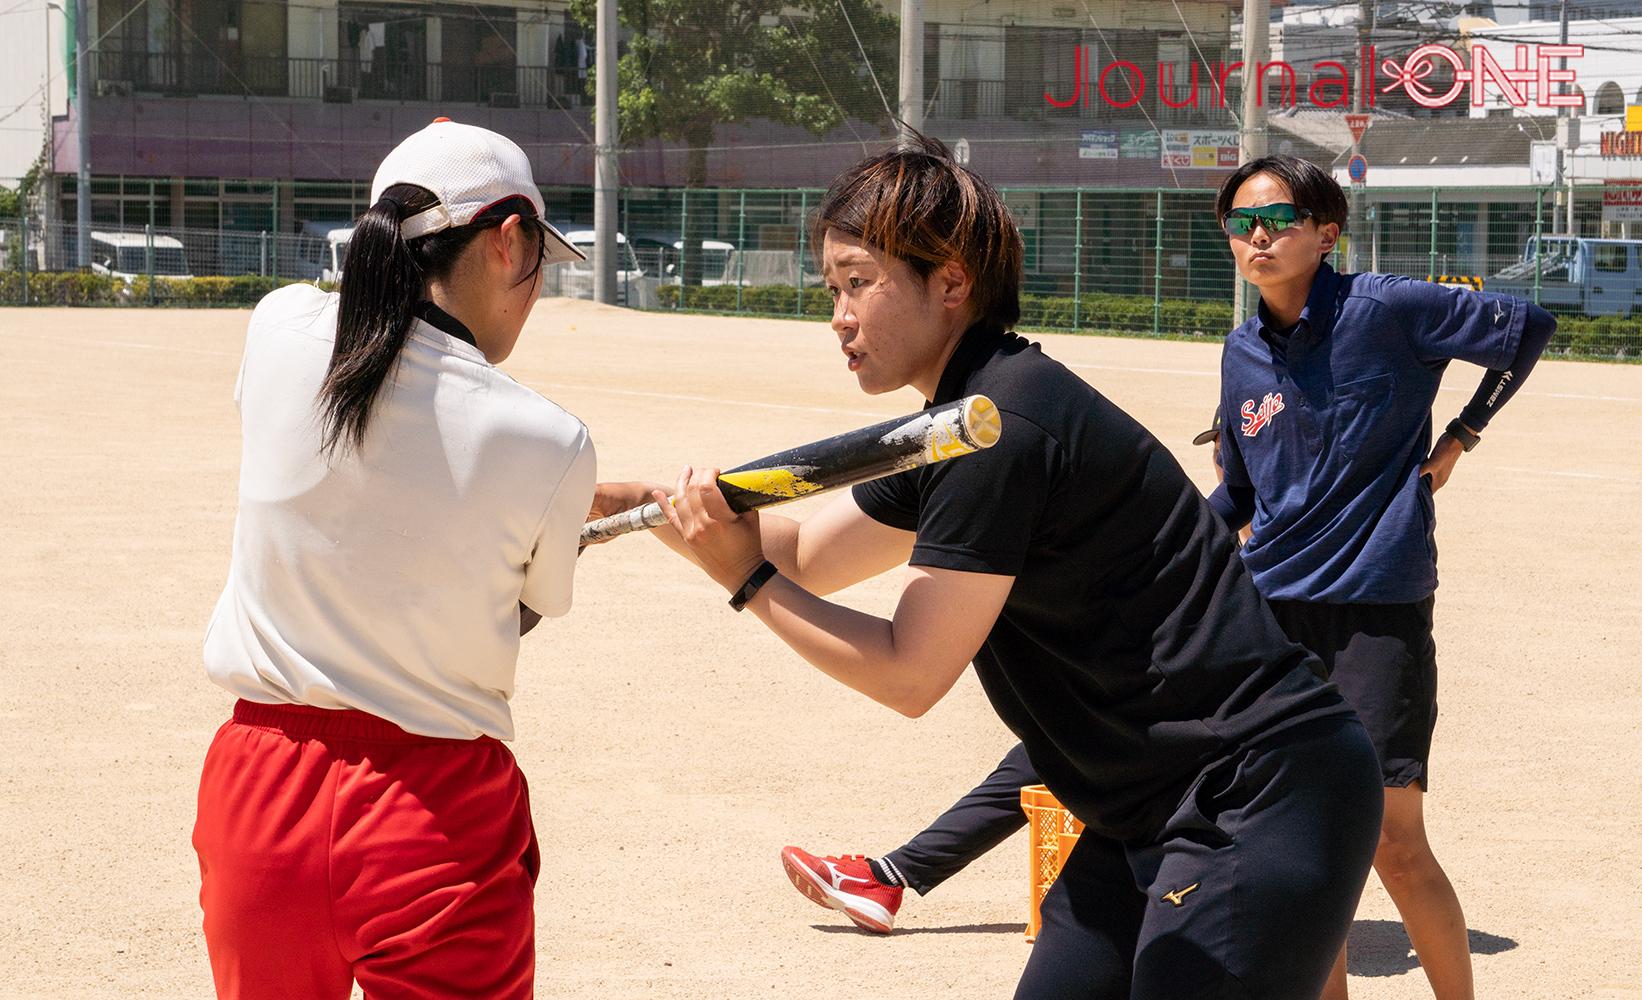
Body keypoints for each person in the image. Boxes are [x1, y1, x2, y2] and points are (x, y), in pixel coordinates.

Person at [650, 134, 1385, 999]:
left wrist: (747, 583)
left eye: (859, 282)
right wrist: (626, 503)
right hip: (1134, 809)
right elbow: (807, 551)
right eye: (832, 289)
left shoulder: (1002, 424)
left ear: (951, 281)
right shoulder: (955, 425)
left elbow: (909, 673)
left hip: (1255, 792)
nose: (839, 316)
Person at [193, 119, 608, 1000]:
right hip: (433, 806)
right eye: (541, 261)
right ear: (507, 242)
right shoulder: (552, 441)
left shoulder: (278, 330)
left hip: (258, 794)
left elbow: (365, 464)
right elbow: (522, 609)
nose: (538, 292)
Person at [1208, 155, 1555, 1000]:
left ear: (1326, 233)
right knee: (1300, 849)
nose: (1259, 234)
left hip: (1375, 608)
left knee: (1393, 842)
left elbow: (1527, 327)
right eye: (1241, 222)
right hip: (1275, 616)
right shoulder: (1242, 352)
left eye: (1280, 217)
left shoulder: (1389, 308)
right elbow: (1241, 495)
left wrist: (1463, 433)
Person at [776, 413, 1238, 934]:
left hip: (1212, 701)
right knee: (1053, 751)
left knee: (1071, 752)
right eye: (1218, 449)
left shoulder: (1275, 531)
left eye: (1226, 449)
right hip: (1161, 694)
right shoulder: (1212, 520)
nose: (1219, 462)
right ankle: (890, 875)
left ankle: (891, 875)